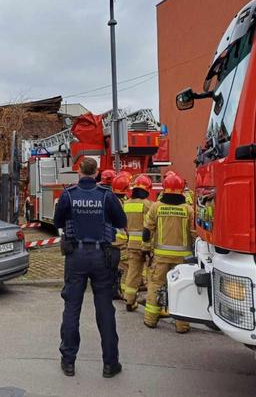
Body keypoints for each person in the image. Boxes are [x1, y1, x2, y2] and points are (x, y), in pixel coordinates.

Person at [54, 157, 127, 378]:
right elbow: (120, 219)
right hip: (101, 256)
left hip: (75, 255)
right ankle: (110, 364)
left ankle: (68, 362)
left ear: (78, 171)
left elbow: (58, 222)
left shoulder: (68, 195)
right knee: (105, 309)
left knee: (72, 308)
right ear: (96, 173)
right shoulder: (106, 195)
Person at [142, 172, 195, 333]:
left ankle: (150, 320)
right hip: (183, 259)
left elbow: (147, 230)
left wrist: (145, 249)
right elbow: (194, 233)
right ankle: (182, 325)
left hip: (161, 257)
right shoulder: (189, 209)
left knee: (156, 285)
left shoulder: (156, 207)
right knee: (182, 288)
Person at [121, 175, 154, 311]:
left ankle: (129, 300)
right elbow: (152, 225)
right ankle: (152, 302)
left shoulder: (126, 204)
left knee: (133, 272)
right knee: (152, 273)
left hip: (131, 245)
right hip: (146, 245)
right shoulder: (148, 205)